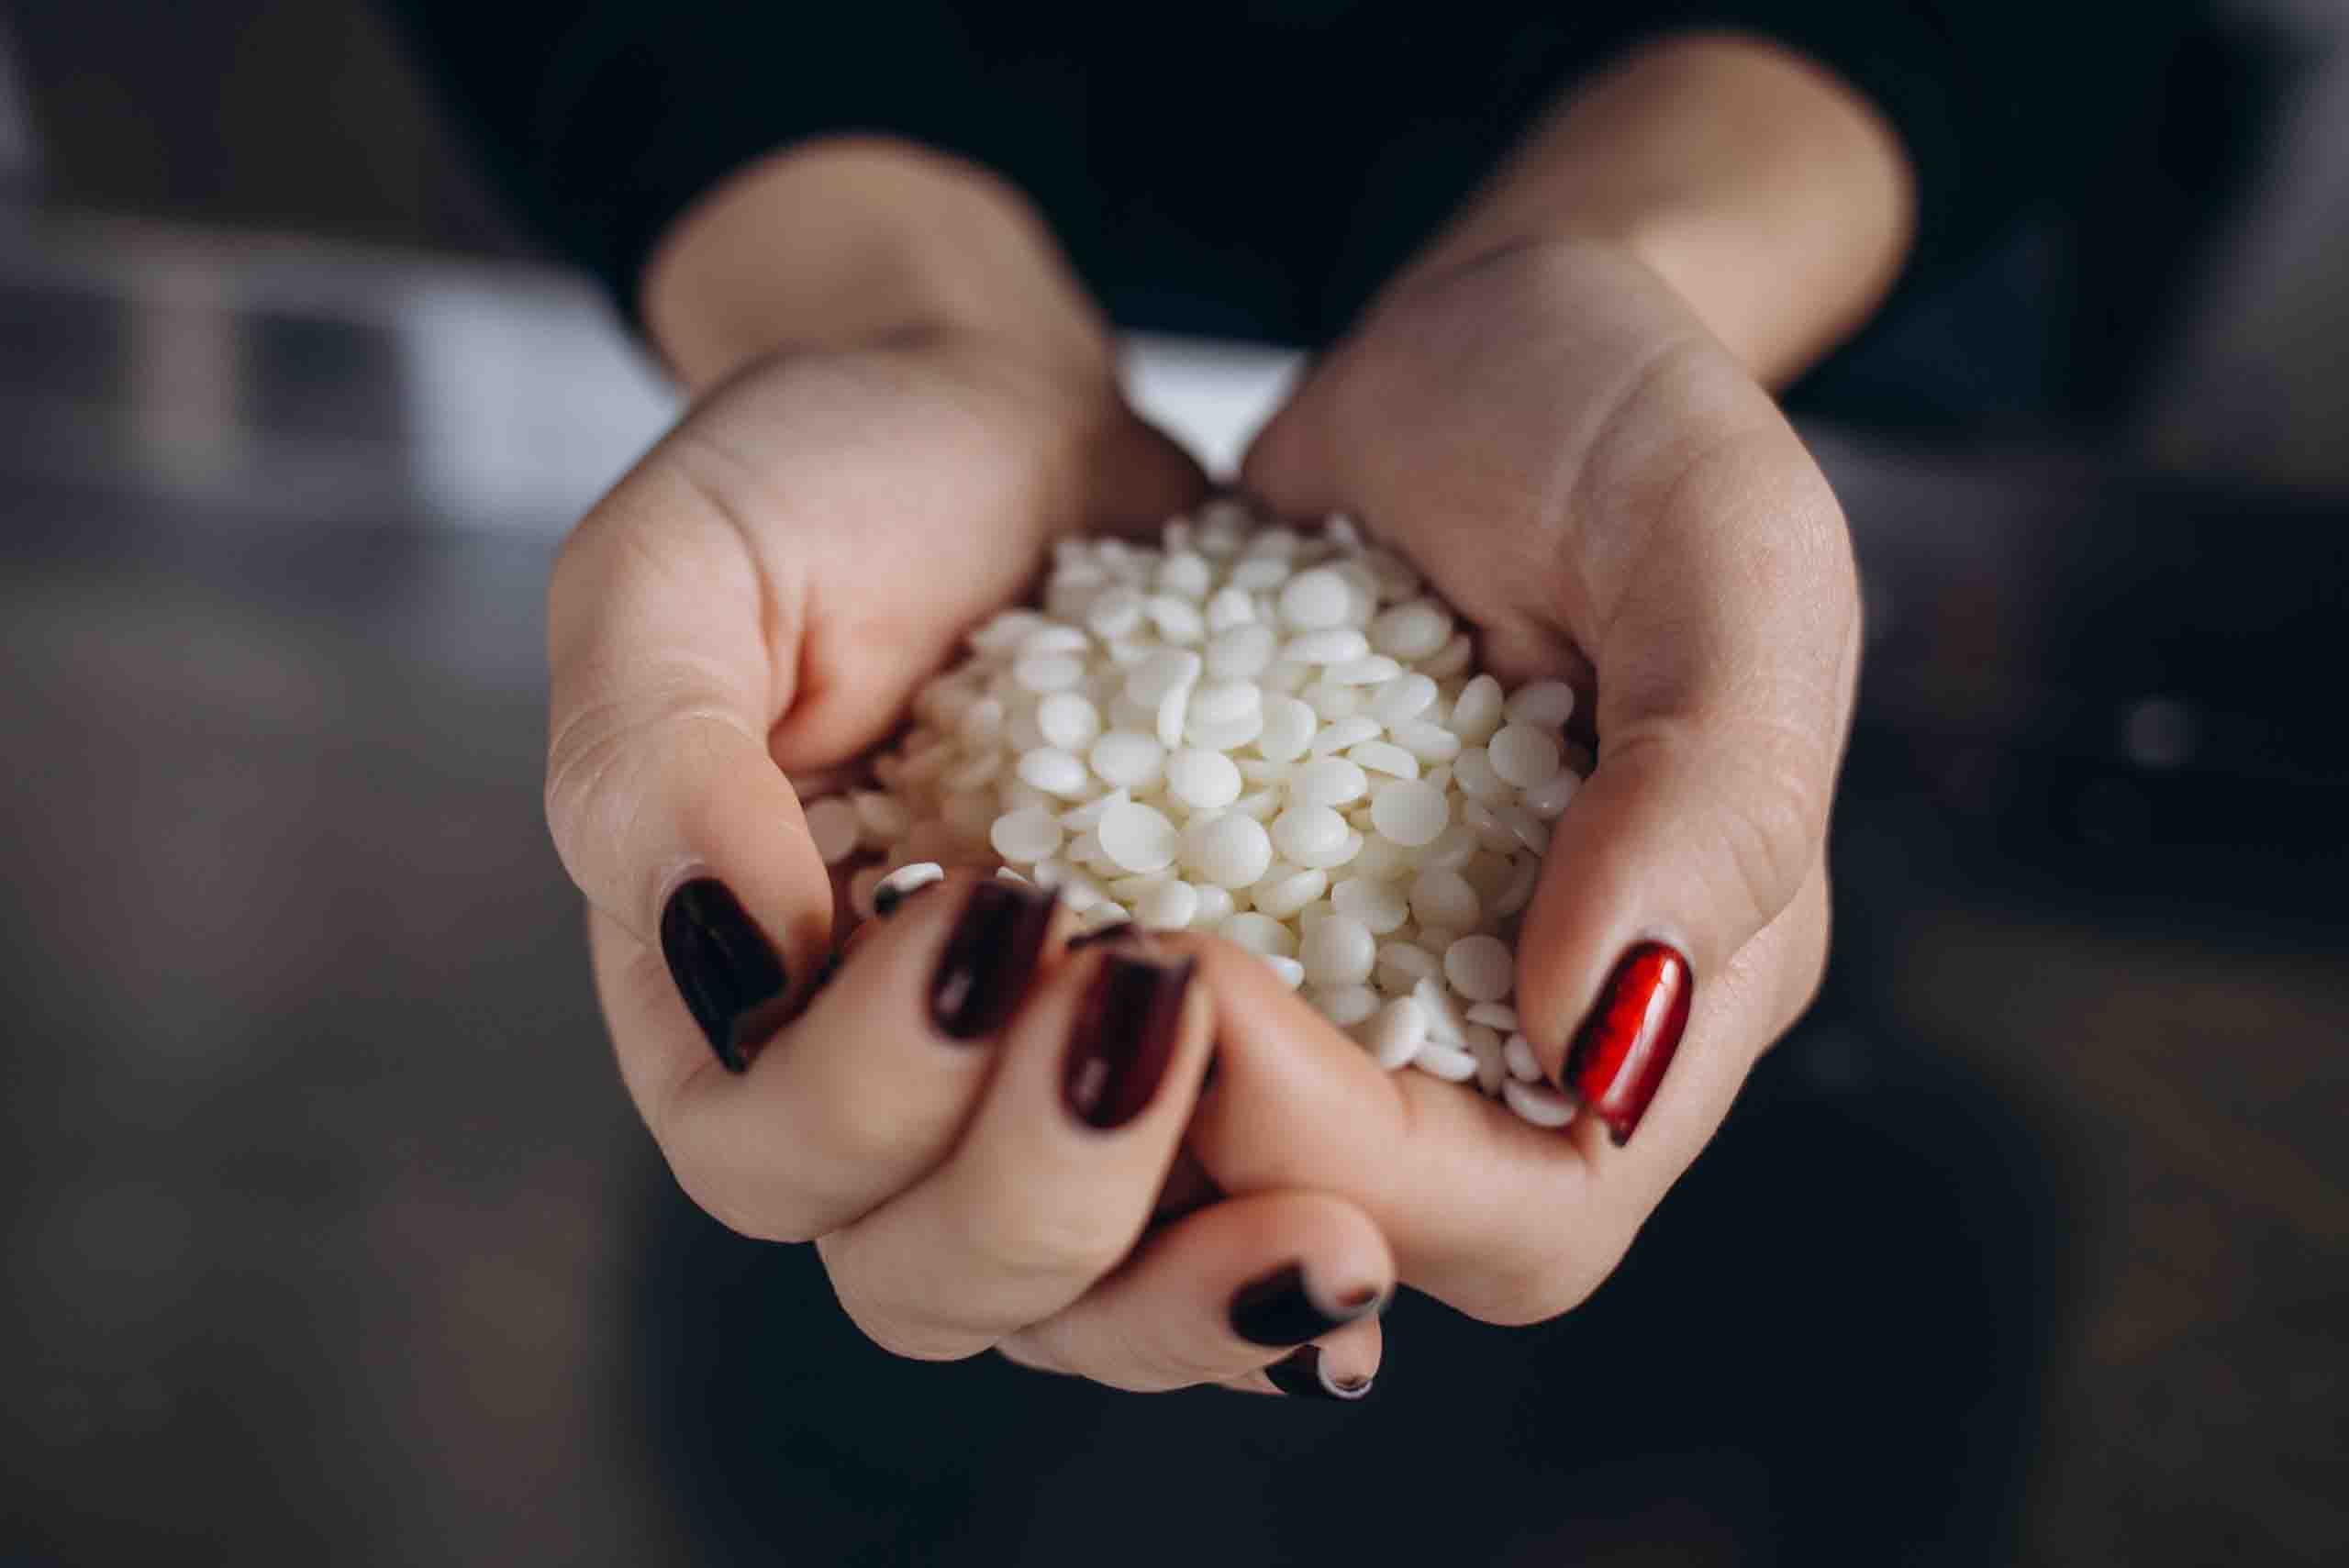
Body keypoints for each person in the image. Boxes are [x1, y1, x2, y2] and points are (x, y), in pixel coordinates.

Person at [384, 3, 2179, 1400]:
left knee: (1780, 1250)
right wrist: (887, 300)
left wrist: (1636, 272)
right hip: (827, 130)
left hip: (1787, 265)